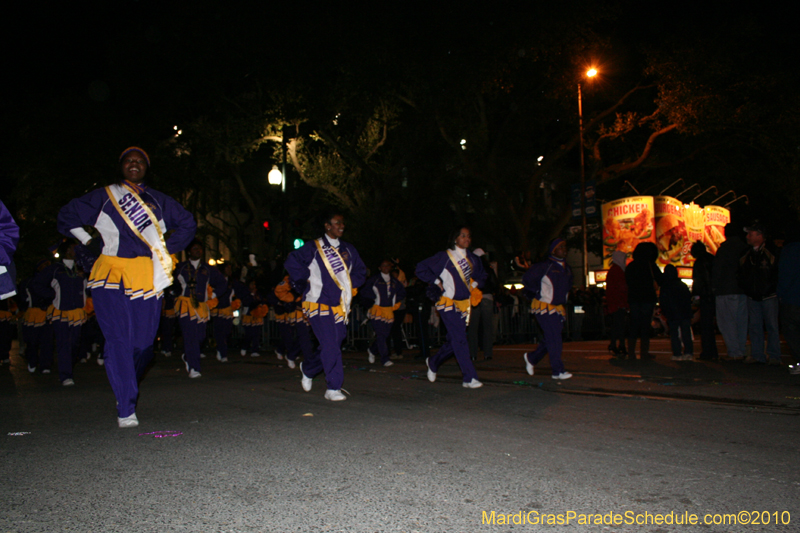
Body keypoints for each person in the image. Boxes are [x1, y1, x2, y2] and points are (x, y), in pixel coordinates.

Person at [57, 147, 196, 427]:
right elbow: (66, 215)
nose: (134, 164)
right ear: (121, 166)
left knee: (144, 344)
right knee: (119, 338)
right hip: (110, 272)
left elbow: (188, 224)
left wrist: (164, 249)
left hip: (147, 273)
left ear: (147, 167)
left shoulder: (160, 201)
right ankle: (126, 404)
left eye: (140, 161)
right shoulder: (105, 195)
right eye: (129, 161)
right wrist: (87, 240)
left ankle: (122, 374)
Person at [285, 211, 367, 401]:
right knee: (330, 344)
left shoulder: (349, 249)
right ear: (327, 225)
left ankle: (309, 368)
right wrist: (302, 282)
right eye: (337, 222)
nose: (341, 225)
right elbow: (292, 261)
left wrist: (349, 286)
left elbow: (360, 272)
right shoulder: (313, 247)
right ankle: (333, 387)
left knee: (334, 343)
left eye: (343, 223)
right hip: (317, 302)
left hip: (339, 305)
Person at [416, 226, 487, 388]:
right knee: (460, 339)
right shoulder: (444, 257)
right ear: (455, 238)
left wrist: (475, 283)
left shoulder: (473, 258)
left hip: (464, 303)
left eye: (468, 236)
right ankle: (469, 378)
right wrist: (436, 281)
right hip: (447, 301)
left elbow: (482, 275)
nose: (466, 239)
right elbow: (420, 268)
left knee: (455, 340)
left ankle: (434, 362)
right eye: (463, 236)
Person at [30, 240, 87, 385]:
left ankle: (67, 367)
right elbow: (37, 284)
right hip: (60, 311)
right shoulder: (55, 269)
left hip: (77, 312)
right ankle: (65, 375)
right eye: (75, 249)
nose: (78, 251)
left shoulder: (81, 268)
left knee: (74, 343)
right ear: (68, 250)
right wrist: (51, 295)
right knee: (64, 343)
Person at [173, 240, 228, 377]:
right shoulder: (180, 267)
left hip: (201, 305)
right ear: (189, 251)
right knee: (190, 335)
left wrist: (214, 294)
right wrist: (174, 293)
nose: (198, 251)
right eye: (195, 249)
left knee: (200, 336)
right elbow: (170, 281)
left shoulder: (208, 269)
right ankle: (194, 367)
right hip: (185, 305)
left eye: (200, 249)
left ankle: (188, 356)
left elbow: (222, 283)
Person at [521, 238, 573, 380]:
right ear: (553, 250)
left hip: (557, 307)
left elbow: (568, 287)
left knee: (552, 337)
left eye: (565, 246)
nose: (564, 249)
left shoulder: (567, 268)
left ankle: (532, 358)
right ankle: (557, 371)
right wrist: (535, 294)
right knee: (554, 337)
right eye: (561, 247)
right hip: (544, 306)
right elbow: (527, 279)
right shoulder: (545, 266)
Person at [738, 221, 780, 365]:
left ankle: (774, 356)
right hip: (753, 296)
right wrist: (747, 289)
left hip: (769, 295)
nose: (748, 236)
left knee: (771, 326)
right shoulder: (746, 253)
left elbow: (776, 273)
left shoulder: (771, 251)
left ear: (760, 235)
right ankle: (758, 355)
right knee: (755, 327)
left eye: (751, 233)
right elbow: (740, 274)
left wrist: (771, 288)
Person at [711, 223, 748, 360]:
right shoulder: (745, 248)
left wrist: (714, 287)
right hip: (742, 290)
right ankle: (741, 350)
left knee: (727, 322)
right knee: (741, 322)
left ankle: (734, 352)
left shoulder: (725, 249)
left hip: (725, 289)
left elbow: (718, 270)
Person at [362, 259, 406, 367]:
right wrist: (371, 302)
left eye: (388, 265)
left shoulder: (395, 281)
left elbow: (402, 292)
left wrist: (395, 301)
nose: (386, 267)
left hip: (389, 311)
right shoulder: (374, 279)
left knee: (384, 335)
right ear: (379, 268)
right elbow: (365, 292)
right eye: (383, 265)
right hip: (377, 310)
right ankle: (385, 358)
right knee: (381, 335)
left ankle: (372, 350)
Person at [625, 242, 662, 360]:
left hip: (634, 299)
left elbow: (627, 281)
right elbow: (660, 279)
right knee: (645, 325)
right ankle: (644, 352)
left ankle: (631, 352)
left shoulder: (631, 266)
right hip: (647, 298)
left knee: (634, 325)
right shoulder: (650, 265)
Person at [270, 274, 313, 370]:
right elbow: (279, 291)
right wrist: (293, 298)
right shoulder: (290, 278)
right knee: (304, 337)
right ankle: (309, 363)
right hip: (297, 311)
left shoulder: (312, 274)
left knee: (304, 337)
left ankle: (291, 355)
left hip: (309, 310)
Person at [659, 264, 694, 361]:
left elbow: (663, 301)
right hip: (684, 312)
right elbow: (688, 299)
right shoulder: (682, 285)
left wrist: (665, 312)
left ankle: (677, 353)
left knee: (674, 334)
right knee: (686, 333)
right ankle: (688, 353)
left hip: (672, 313)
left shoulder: (665, 286)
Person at [777, 226, 800, 375]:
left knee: (792, 333)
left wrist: (780, 294)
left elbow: (784, 275)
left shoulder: (789, 251)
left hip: (792, 298)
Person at [468, 249, 497, 361]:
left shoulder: (471, 268)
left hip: (474, 297)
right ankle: (488, 353)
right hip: (487, 298)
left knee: (473, 327)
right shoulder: (488, 269)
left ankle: (473, 353)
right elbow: (495, 283)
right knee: (487, 327)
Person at [691, 241, 718, 361]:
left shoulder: (699, 263)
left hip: (705, 296)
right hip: (716, 295)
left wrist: (695, 297)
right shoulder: (712, 259)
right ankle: (714, 352)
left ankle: (707, 352)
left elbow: (698, 282)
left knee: (706, 326)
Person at [210, 263, 239, 363]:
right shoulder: (217, 280)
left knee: (227, 331)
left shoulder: (231, 282)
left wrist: (234, 308)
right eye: (228, 268)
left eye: (230, 268)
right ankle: (223, 353)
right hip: (218, 309)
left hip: (228, 309)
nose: (229, 270)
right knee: (220, 332)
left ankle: (219, 348)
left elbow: (232, 295)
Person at [605, 250, 628, 358]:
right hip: (618, 303)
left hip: (616, 303)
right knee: (620, 326)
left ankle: (615, 344)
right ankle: (619, 345)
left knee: (617, 325)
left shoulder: (614, 270)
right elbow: (621, 288)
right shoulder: (618, 271)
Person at [239, 279, 268, 357]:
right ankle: (244, 347)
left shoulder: (258, 294)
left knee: (256, 333)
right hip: (248, 316)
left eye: (254, 284)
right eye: (252, 284)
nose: (253, 286)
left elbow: (262, 301)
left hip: (257, 316)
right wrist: (251, 296)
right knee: (249, 334)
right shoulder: (245, 293)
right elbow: (246, 302)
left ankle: (254, 350)